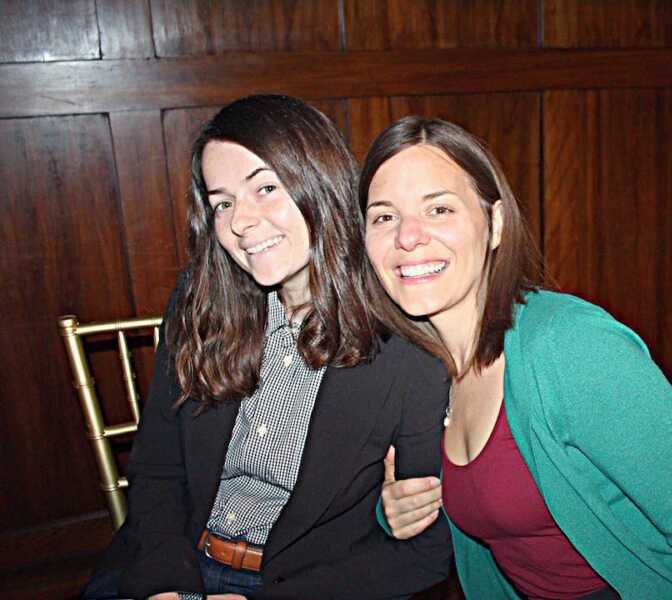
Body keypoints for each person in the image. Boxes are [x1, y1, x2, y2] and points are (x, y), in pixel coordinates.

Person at [359, 116, 672, 600]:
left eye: (439, 209)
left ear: (495, 224)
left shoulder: (571, 348)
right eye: (384, 217)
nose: (407, 237)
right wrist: (397, 508)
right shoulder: (421, 369)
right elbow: (480, 505)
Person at [82, 96, 451, 600]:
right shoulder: (200, 301)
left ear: (319, 184)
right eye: (223, 203)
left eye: (266, 188)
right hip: (178, 559)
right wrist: (166, 584)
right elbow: (158, 468)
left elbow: (424, 552)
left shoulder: (407, 346)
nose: (240, 223)